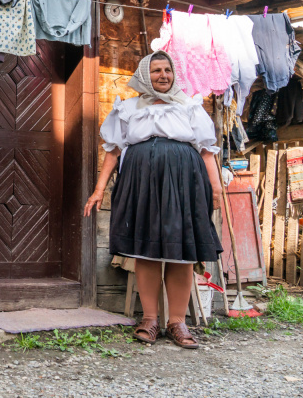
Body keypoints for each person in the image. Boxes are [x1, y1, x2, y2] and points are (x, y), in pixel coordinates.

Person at [84, 51, 223, 349]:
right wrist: (98, 189)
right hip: (140, 181)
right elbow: (113, 150)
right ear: (145, 75)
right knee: (145, 249)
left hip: (184, 182)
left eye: (168, 70)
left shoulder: (190, 106)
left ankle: (177, 322)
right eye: (157, 70)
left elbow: (207, 151)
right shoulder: (129, 108)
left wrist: (215, 189)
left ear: (174, 74)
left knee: (181, 251)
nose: (163, 75)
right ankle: (149, 318)